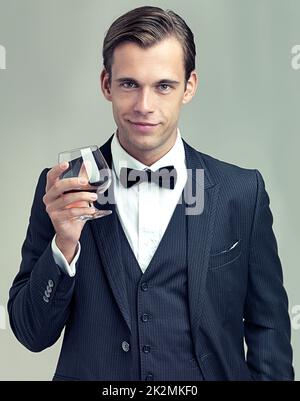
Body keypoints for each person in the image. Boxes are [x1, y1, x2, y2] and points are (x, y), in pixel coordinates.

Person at [8, 6, 294, 381]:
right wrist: (63, 245)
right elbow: (31, 333)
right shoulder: (63, 187)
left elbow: (268, 330)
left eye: (163, 85)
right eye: (129, 84)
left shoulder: (242, 192)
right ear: (106, 84)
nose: (145, 106)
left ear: (189, 86)